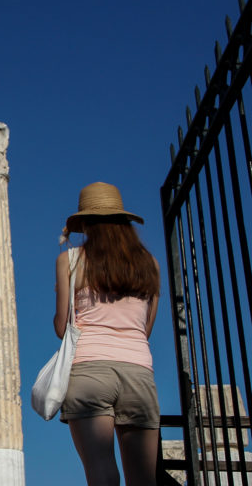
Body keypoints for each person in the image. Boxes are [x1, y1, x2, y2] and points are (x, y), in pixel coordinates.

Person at [55, 182, 161, 486]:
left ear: (86, 223)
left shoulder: (70, 261)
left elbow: (64, 327)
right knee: (143, 478)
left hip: (89, 369)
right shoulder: (149, 265)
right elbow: (146, 328)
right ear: (124, 222)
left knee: (101, 471)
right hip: (138, 369)